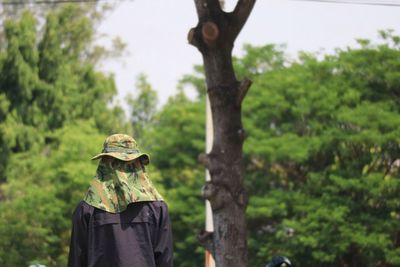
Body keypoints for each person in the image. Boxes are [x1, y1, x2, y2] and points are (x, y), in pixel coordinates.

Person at [68, 134, 173, 267]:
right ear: (138, 165)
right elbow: (165, 261)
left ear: (104, 165)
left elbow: (77, 261)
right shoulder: (158, 209)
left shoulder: (87, 209)